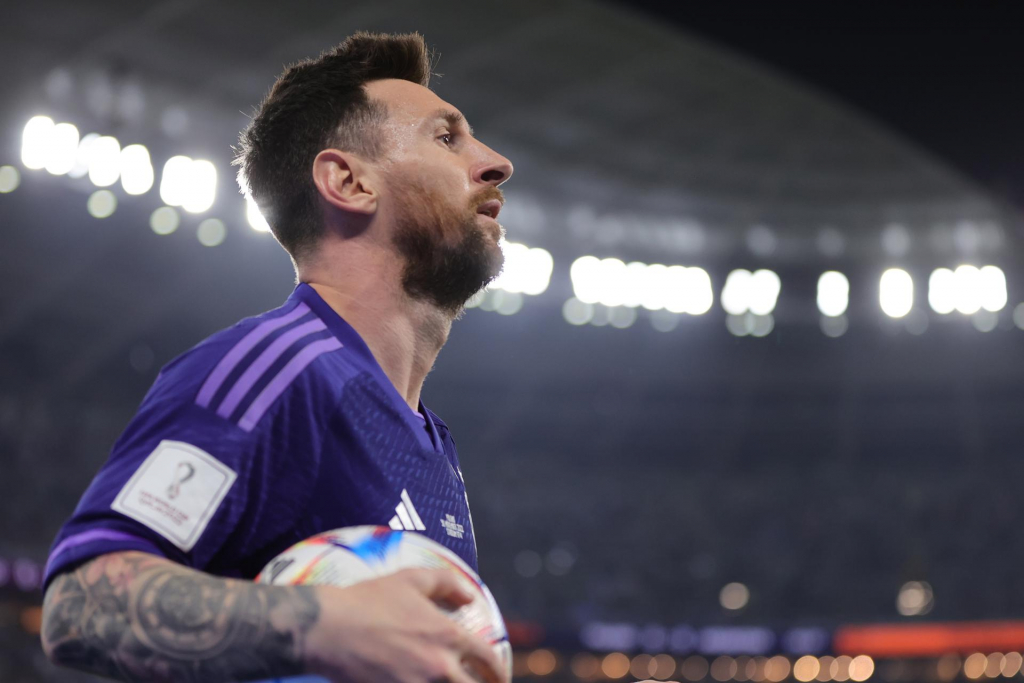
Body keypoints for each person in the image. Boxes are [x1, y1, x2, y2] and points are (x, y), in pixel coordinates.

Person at [40, 32, 512, 683]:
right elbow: (79, 604)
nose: (496, 163)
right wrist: (324, 625)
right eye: (447, 137)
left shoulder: (436, 447)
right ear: (348, 181)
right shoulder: (274, 370)